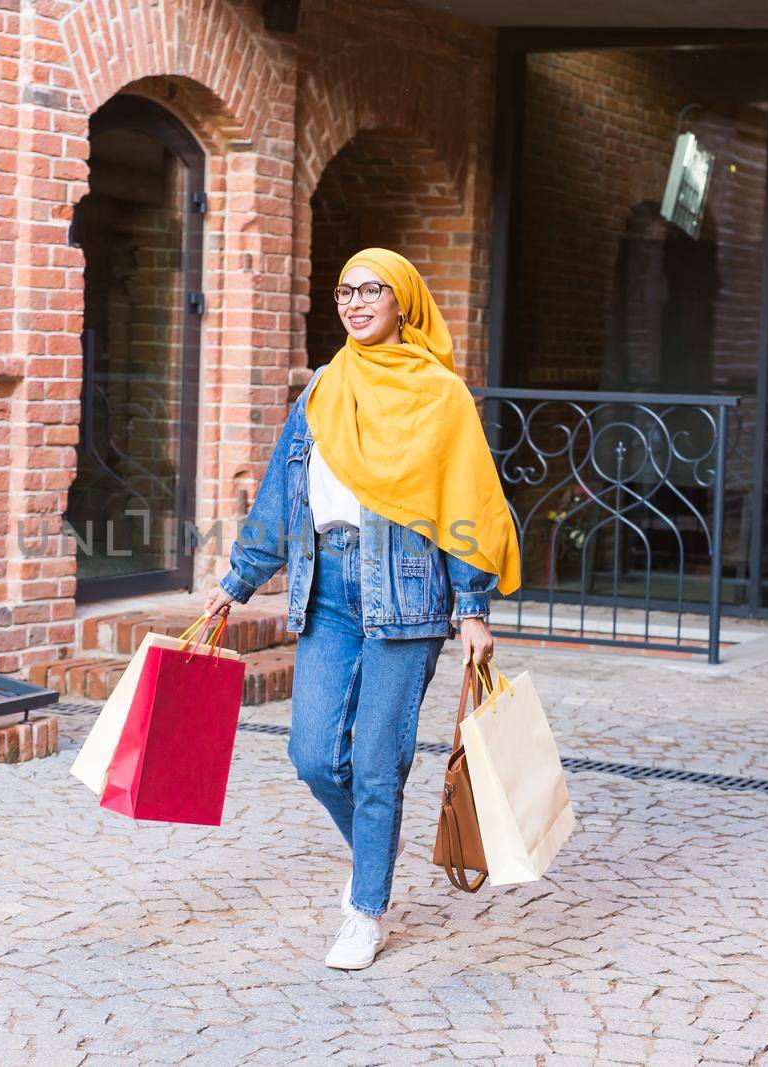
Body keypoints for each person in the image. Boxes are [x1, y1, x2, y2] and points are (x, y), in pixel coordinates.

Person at [201, 248, 521, 970]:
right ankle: (377, 843)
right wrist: (238, 579)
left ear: (402, 298)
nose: (354, 301)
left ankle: (366, 907)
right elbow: (283, 501)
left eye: (370, 288)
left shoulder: (440, 397)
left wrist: (472, 606)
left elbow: (462, 502)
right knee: (312, 754)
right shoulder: (321, 390)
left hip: (407, 593)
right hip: (328, 588)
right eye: (344, 290)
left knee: (378, 763)